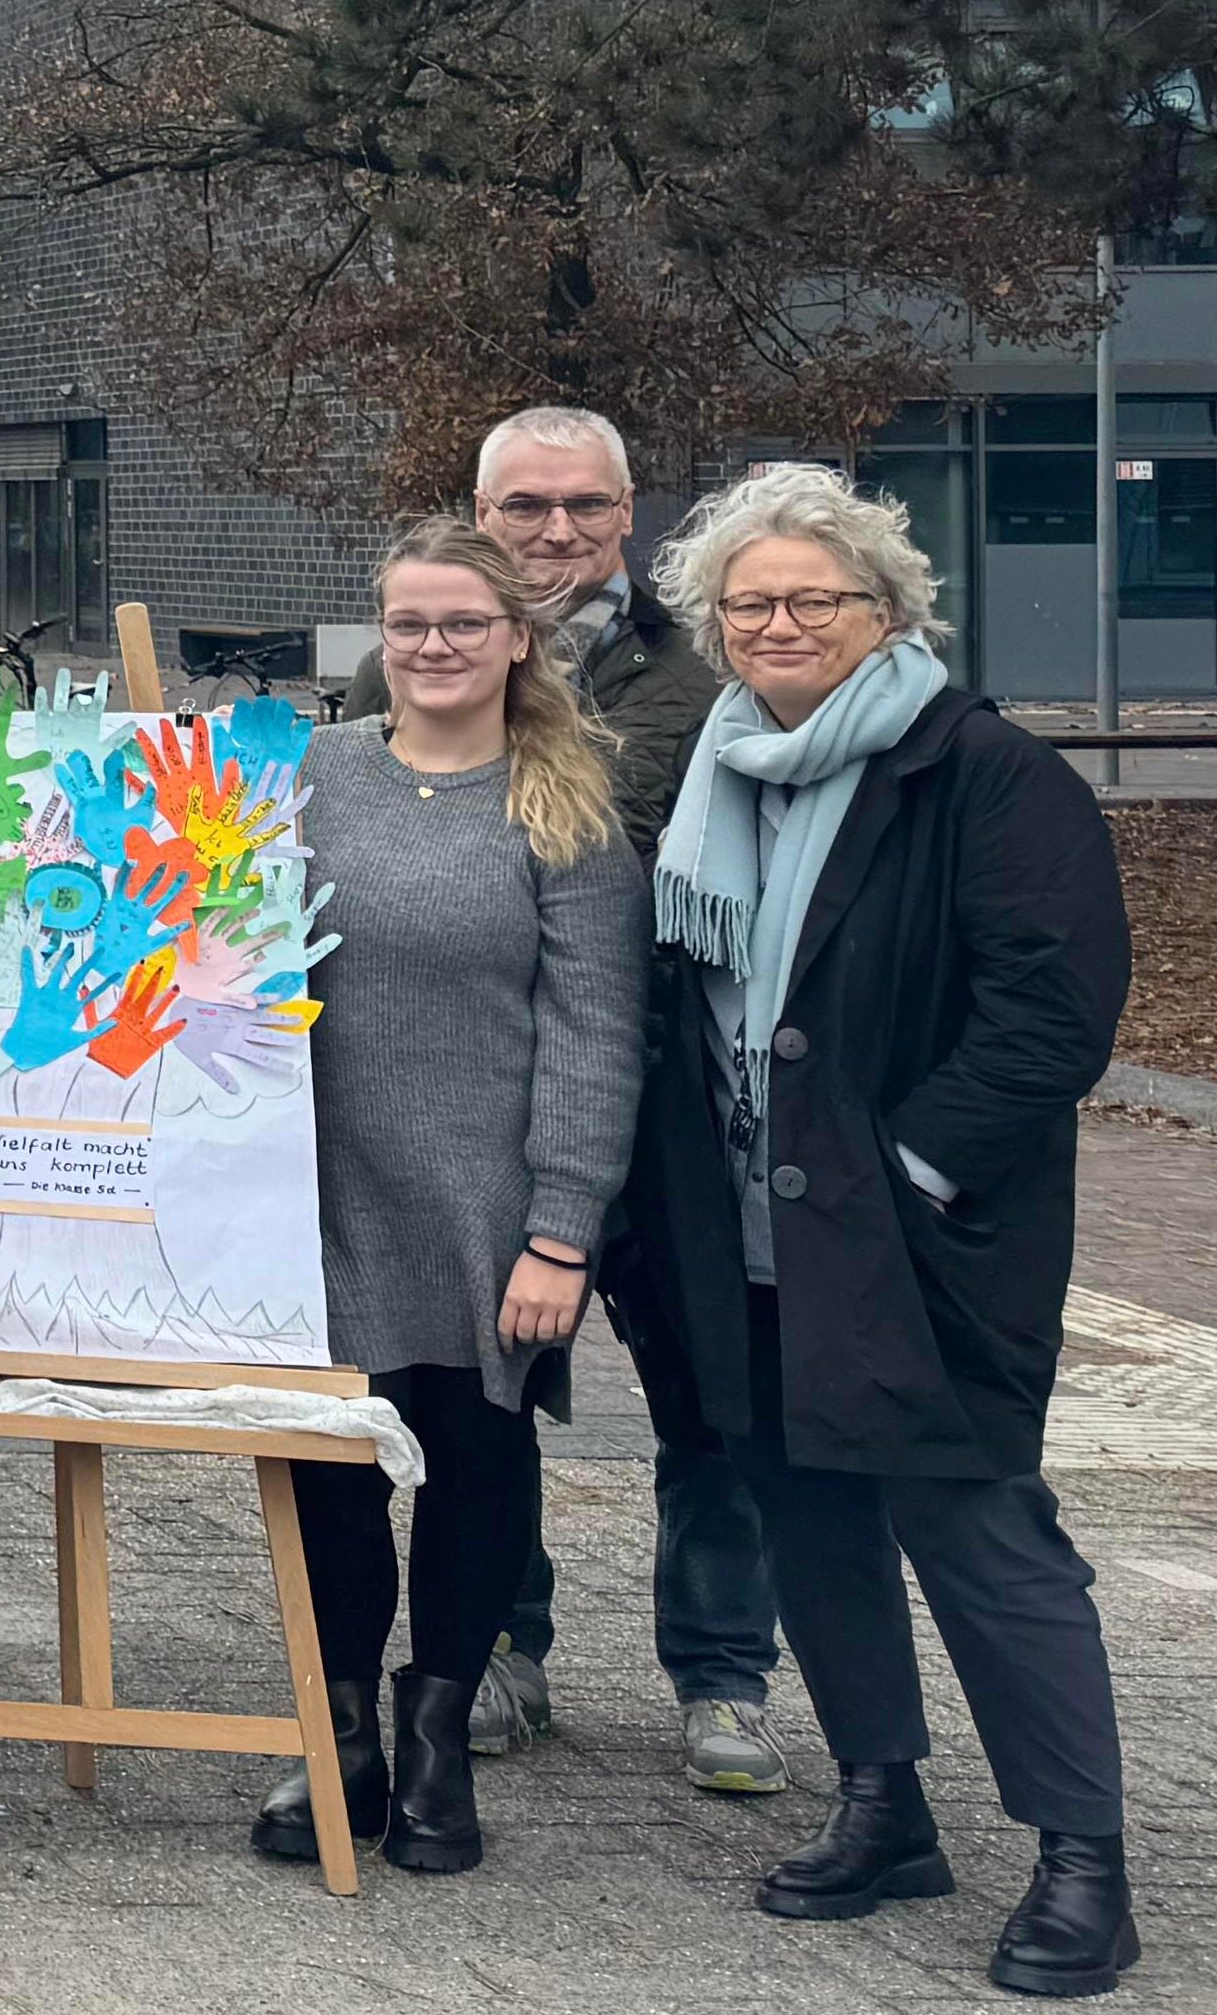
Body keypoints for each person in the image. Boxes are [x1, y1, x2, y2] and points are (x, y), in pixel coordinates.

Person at [628, 465, 1138, 1998]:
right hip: (748, 1233)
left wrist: (909, 1171)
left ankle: (1084, 1859)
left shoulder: (982, 773)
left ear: (887, 611)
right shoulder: (717, 774)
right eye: (750, 603)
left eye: (814, 599)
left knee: (980, 1530)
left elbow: (1051, 1014)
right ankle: (883, 1801)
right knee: (807, 1517)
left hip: (917, 1239)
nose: (780, 623)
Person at [256, 520, 643, 1879]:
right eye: (409, 622)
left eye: (463, 623)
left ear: (519, 638)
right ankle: (341, 1736)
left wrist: (563, 1227)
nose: (432, 646)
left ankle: (439, 1741)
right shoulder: (313, 775)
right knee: (332, 1473)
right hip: (318, 1188)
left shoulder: (568, 803)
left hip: (490, 1203)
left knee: (476, 1465)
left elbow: (598, 1027)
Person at [444, 404, 776, 1781]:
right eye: (526, 506)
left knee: (712, 1390)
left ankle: (720, 1674)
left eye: (583, 504)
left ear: (628, 510)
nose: (557, 530)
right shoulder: (432, 660)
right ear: (484, 515)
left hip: (682, 1099)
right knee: (487, 1380)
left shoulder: (714, 673)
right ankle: (502, 1646)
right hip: (498, 1097)